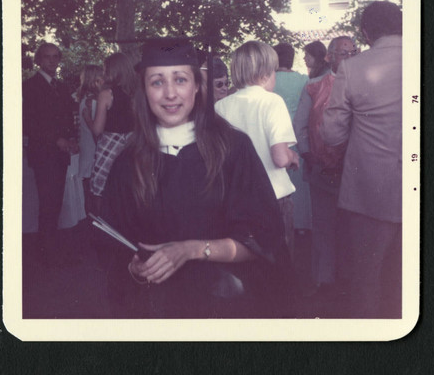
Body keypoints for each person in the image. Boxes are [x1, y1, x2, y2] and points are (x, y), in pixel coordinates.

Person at [100, 38, 291, 318]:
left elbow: (263, 241)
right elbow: (114, 247)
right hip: (157, 311)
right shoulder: (128, 163)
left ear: (197, 86)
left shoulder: (232, 149)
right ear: (144, 90)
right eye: (156, 82)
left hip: (225, 307)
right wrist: (133, 267)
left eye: (180, 80)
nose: (169, 94)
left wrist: (191, 250)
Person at [321, 1, 403, 318]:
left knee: (367, 279)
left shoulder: (353, 68)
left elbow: (332, 134)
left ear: (366, 32)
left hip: (370, 190)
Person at [215, 41, 299, 266]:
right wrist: (294, 158)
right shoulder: (272, 102)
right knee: (278, 262)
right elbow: (280, 157)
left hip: (234, 200)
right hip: (273, 198)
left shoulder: (220, 107)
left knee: (245, 265)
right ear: (264, 74)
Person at [293, 36, 358, 297]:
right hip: (320, 169)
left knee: (351, 227)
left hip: (354, 172)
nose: (349, 57)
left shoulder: (363, 85)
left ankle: (349, 278)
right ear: (330, 56)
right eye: (343, 53)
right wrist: (310, 157)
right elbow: (299, 127)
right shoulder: (313, 87)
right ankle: (324, 279)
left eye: (353, 52)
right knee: (323, 225)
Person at [23, 42, 78, 266]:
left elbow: (68, 116)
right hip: (44, 153)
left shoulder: (62, 86)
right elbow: (29, 122)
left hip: (60, 154)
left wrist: (73, 138)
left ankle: (50, 250)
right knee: (48, 203)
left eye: (56, 57)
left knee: (55, 203)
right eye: (47, 57)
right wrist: (57, 139)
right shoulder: (29, 86)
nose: (52, 62)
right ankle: (46, 254)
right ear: (38, 60)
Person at [85, 51, 137, 215]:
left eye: (105, 69)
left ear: (113, 71)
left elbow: (97, 129)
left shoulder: (106, 94)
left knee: (100, 188)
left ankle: (104, 226)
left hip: (110, 144)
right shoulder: (138, 93)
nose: (103, 72)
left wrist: (87, 117)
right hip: (131, 144)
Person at [273, 42, 311, 232]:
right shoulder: (304, 80)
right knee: (299, 183)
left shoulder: (269, 80)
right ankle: (301, 223)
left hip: (275, 136)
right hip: (297, 135)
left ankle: (279, 222)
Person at [76, 65, 104, 216]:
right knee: (94, 193)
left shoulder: (86, 99)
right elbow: (96, 132)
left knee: (90, 190)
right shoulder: (92, 102)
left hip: (88, 150)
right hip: (93, 151)